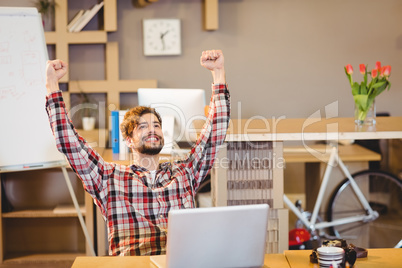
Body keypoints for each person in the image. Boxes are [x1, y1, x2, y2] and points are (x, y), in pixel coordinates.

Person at [45, 50, 230, 256]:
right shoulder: (109, 178)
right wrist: (52, 86)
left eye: (156, 125)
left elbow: (215, 132)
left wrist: (218, 73)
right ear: (128, 140)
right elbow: (69, 143)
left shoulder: (184, 172)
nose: (152, 129)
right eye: (142, 127)